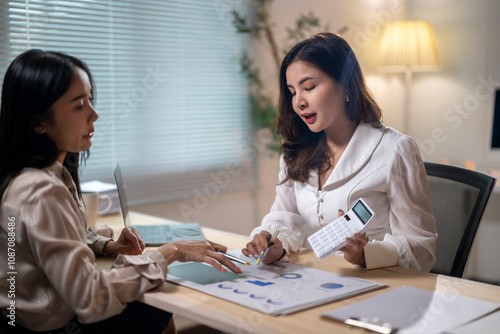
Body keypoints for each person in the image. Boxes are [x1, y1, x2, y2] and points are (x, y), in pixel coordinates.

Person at [0, 49, 242, 333]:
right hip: (50, 327)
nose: (94, 114)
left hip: (21, 320)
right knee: (154, 305)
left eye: (90, 99)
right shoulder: (41, 191)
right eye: (79, 106)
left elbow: (55, 237)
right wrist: (172, 251)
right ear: (39, 122)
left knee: (148, 302)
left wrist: (109, 246)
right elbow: (91, 299)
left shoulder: (28, 177)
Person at [242, 32, 437, 272]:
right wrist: (273, 244)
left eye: (309, 87)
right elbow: (285, 217)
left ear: (345, 84)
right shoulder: (296, 149)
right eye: (293, 91)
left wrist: (367, 254)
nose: (298, 102)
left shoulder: (395, 149)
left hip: (382, 286)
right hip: (324, 280)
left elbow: (422, 248)